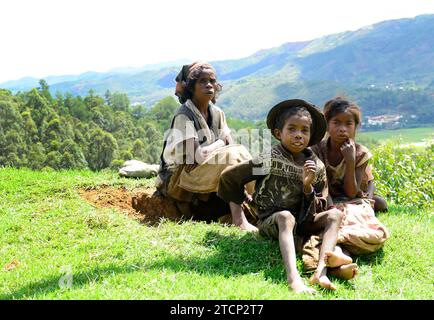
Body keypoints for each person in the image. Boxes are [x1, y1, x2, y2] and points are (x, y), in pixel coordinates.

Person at [218, 99, 346, 294]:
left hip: (304, 221)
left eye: (304, 130)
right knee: (285, 216)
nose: (298, 135)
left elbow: (321, 205)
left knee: (335, 215)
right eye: (292, 129)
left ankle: (321, 272)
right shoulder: (269, 159)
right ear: (279, 133)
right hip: (274, 221)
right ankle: (293, 279)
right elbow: (230, 177)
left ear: (310, 136)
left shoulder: (317, 166)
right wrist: (247, 201)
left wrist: (307, 186)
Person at [155, 62, 258, 232]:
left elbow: (232, 145)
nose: (209, 84)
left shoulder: (217, 113)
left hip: (201, 168)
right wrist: (220, 143)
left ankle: (257, 203)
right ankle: (239, 221)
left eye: (212, 80)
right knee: (231, 157)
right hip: (179, 177)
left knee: (241, 153)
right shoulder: (184, 115)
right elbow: (196, 156)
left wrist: (220, 147)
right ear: (192, 87)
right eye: (202, 81)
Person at [311, 97, 390, 257]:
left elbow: (351, 192)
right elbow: (319, 186)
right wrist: (331, 205)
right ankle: (337, 248)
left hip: (350, 198)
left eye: (348, 124)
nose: (343, 129)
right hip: (326, 199)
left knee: (373, 206)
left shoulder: (360, 153)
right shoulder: (317, 150)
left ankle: (346, 243)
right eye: (336, 123)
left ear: (356, 127)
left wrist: (350, 160)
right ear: (327, 125)